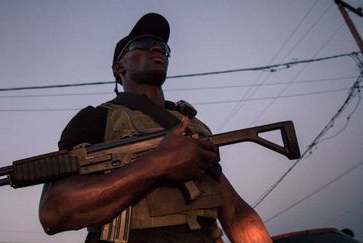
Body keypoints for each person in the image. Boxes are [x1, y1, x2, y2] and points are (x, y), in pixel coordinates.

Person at [39, 13, 272, 243]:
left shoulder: (190, 123)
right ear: (119, 66)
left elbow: (234, 211)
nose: (157, 49)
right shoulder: (96, 118)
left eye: (163, 47)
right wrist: (158, 163)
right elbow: (54, 211)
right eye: (142, 44)